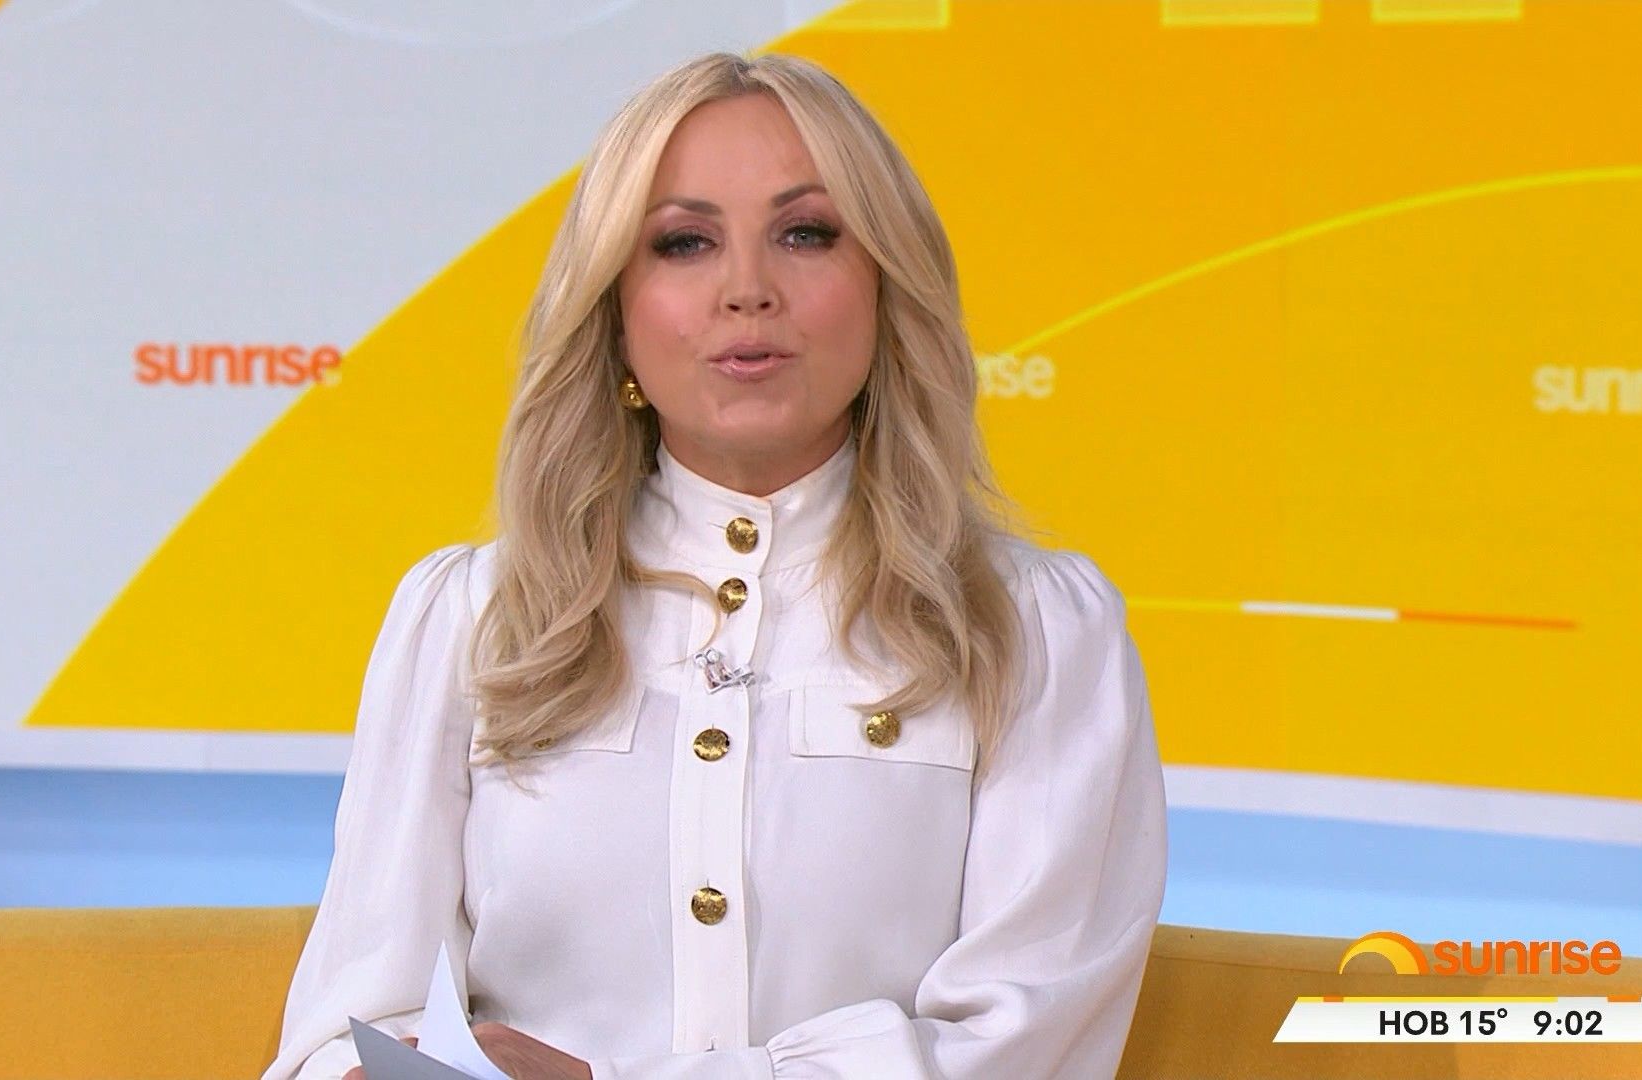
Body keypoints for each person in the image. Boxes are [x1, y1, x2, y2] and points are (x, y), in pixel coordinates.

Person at [262, 49, 1167, 1080]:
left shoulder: (1037, 629)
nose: (748, 290)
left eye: (806, 233)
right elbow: (344, 1030)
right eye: (684, 242)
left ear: (886, 284)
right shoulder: (472, 617)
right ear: (614, 306)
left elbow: (1020, 1050)